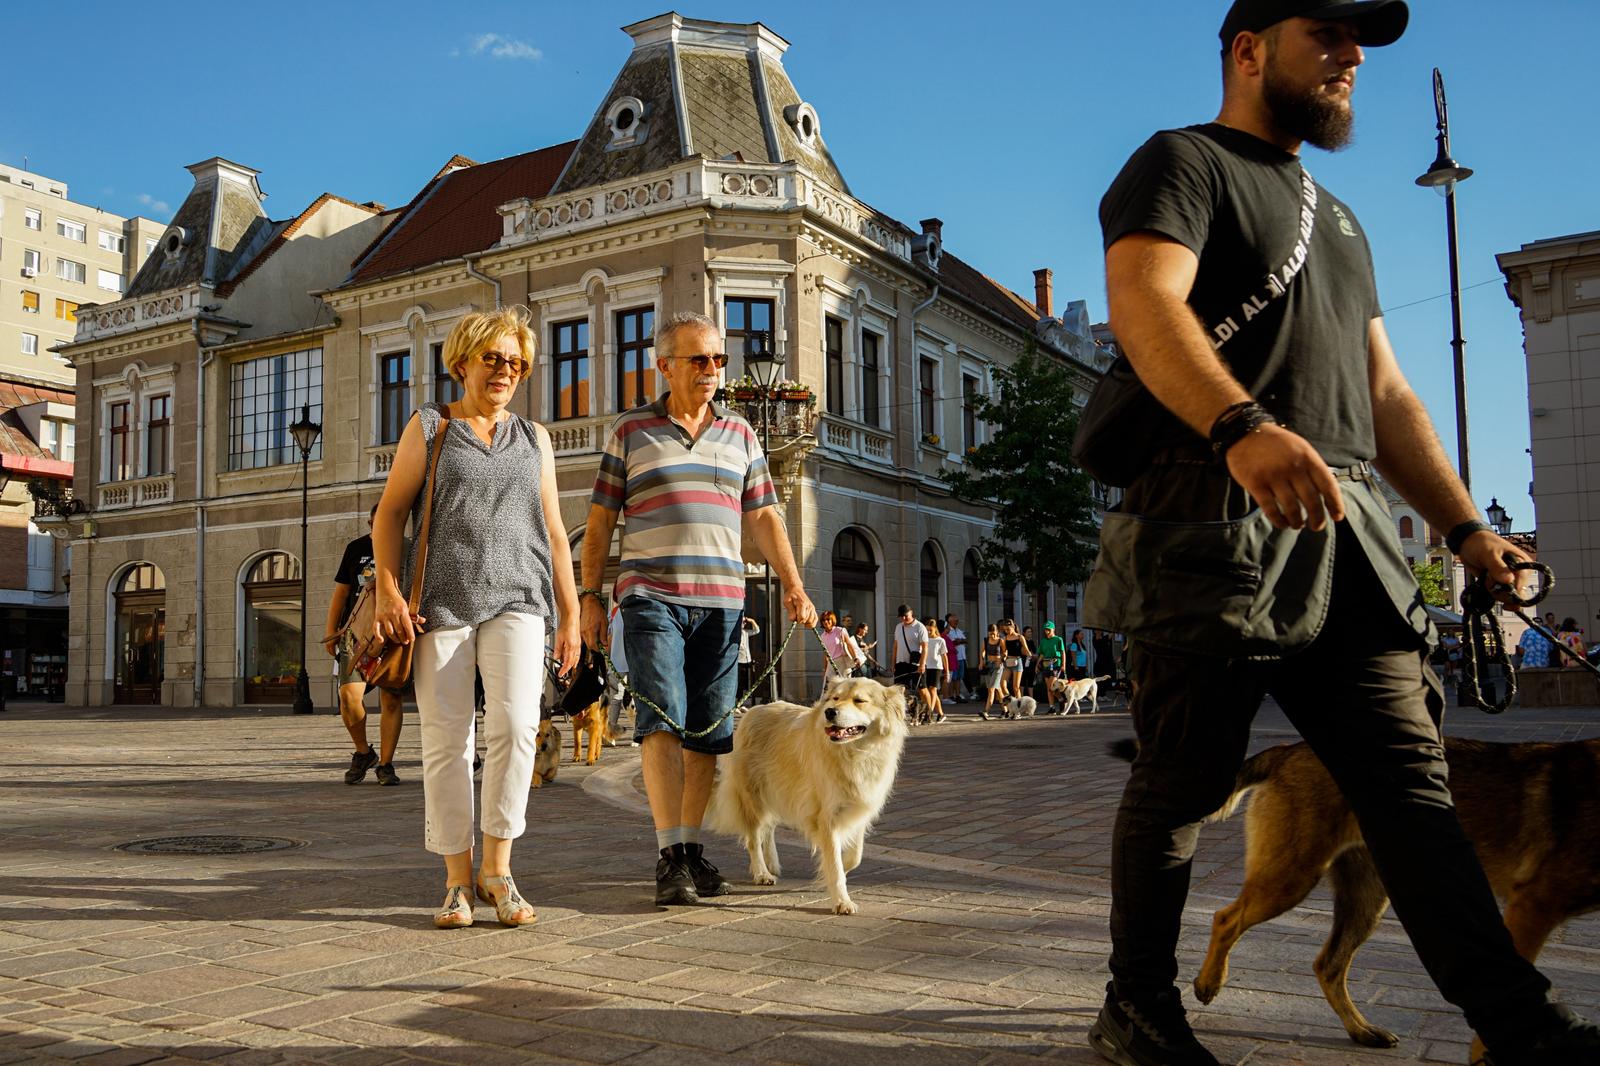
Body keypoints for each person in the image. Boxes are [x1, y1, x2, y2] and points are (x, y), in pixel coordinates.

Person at [1087, 4, 1600, 1064]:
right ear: (1247, 50)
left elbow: (1385, 392)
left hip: (1351, 541)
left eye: (1358, 39)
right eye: (1325, 30)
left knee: (1412, 786)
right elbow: (1145, 304)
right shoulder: (1181, 163)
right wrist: (1239, 425)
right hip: (1210, 522)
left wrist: (1466, 528)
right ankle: (1135, 1008)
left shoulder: (1343, 221)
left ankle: (1520, 1028)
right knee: (1183, 783)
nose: (1353, 54)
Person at [580, 310, 816, 907]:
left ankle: (687, 850)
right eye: (698, 359)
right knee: (663, 716)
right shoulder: (631, 430)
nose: (712, 369)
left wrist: (794, 584)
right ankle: (669, 855)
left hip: (722, 602)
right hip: (650, 595)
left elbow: (764, 516)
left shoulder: (741, 434)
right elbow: (601, 520)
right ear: (664, 366)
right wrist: (588, 597)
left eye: (718, 358)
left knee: (710, 732)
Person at [372, 306, 580, 930]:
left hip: (520, 598)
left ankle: (498, 870)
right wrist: (387, 592)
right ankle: (456, 881)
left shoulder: (535, 438)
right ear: (462, 363)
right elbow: (390, 514)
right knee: (448, 742)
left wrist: (571, 613)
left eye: (517, 363)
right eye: (493, 359)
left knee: (516, 728)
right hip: (441, 603)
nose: (505, 371)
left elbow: (554, 530)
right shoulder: (430, 427)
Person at [323, 503, 405, 785]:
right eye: (375, 523)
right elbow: (341, 593)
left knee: (391, 699)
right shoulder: (356, 548)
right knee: (348, 697)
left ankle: (386, 764)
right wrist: (332, 630)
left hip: (394, 635)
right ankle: (363, 752)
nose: (380, 527)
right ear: (370, 523)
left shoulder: (408, 548)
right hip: (356, 632)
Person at [891, 605, 929, 712]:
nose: (903, 618)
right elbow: (895, 646)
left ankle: (929, 712)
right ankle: (899, 713)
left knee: (922, 690)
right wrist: (893, 663)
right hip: (901, 663)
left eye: (905, 616)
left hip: (915, 663)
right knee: (899, 689)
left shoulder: (920, 627)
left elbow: (925, 647)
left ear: (911, 613)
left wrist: (922, 664)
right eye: (901, 616)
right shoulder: (898, 627)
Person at [605, 590, 630, 744]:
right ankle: (610, 733)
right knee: (616, 697)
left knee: (634, 700)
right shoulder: (614, 613)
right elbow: (609, 638)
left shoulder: (615, 612)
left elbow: (610, 637)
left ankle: (639, 736)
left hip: (631, 662)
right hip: (619, 662)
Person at [818, 610, 861, 686]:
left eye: (828, 619)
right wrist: (824, 669)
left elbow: (849, 645)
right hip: (830, 665)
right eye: (823, 620)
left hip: (842, 663)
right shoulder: (822, 636)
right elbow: (825, 654)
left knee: (844, 688)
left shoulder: (840, 630)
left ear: (832, 620)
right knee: (827, 687)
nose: (825, 622)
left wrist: (855, 658)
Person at [922, 616, 948, 723]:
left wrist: (947, 671)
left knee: (933, 689)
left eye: (930, 630)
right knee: (930, 691)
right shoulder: (925, 640)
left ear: (934, 628)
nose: (928, 632)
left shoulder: (940, 640)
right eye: (927, 630)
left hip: (936, 667)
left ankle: (930, 712)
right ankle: (941, 714)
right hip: (926, 667)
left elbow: (944, 657)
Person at [1035, 621, 1066, 711]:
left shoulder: (1058, 639)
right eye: (1045, 630)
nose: (1047, 631)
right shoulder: (1043, 641)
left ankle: (1060, 700)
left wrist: (1063, 665)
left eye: (1049, 629)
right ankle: (1054, 705)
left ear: (1053, 629)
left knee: (1051, 686)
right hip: (1046, 664)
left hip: (1056, 664)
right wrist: (1037, 664)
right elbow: (1042, 654)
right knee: (1049, 688)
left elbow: (1063, 652)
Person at [979, 623, 1005, 719]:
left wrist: (1001, 660)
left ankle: (986, 711)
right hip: (988, 665)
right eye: (990, 634)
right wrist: (981, 662)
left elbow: (1005, 652)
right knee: (997, 689)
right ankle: (1005, 710)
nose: (992, 636)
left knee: (991, 689)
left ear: (997, 632)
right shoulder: (986, 640)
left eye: (994, 634)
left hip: (998, 666)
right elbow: (982, 651)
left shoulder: (1000, 641)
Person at [945, 612, 971, 701]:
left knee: (959, 677)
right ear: (950, 621)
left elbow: (966, 640)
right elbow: (951, 643)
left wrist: (959, 641)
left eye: (957, 620)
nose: (957, 622)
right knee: (953, 678)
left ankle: (958, 694)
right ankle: (951, 695)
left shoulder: (959, 630)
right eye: (955, 621)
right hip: (954, 658)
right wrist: (959, 641)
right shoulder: (948, 631)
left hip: (962, 657)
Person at [1000, 619, 1029, 700]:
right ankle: (1011, 700)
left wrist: (1029, 657)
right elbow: (1004, 651)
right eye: (1005, 630)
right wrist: (1003, 657)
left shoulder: (1020, 637)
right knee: (1002, 684)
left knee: (1016, 687)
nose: (1007, 631)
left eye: (1008, 629)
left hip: (1017, 662)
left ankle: (1019, 704)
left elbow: (1026, 650)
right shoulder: (1005, 638)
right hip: (1008, 662)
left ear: (1013, 627)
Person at [737, 616, 761, 701]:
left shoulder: (745, 632)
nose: (744, 623)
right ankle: (738, 701)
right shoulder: (735, 633)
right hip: (739, 661)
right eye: (742, 622)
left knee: (748, 682)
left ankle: (746, 699)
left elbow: (757, 630)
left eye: (745, 622)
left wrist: (752, 621)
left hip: (748, 660)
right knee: (739, 682)